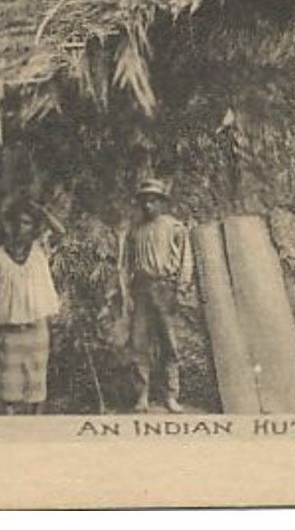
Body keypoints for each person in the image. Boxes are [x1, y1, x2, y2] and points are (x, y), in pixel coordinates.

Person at [0, 199, 65, 414]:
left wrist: (42, 211)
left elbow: (61, 233)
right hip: (9, 328)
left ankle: (34, 422)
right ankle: (11, 424)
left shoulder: (40, 250)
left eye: (26, 223)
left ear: (33, 227)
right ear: (8, 225)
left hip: (36, 327)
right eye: (16, 223)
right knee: (10, 381)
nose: (20, 228)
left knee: (36, 378)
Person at [118, 177, 191, 414]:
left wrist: (181, 289)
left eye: (153, 201)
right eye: (144, 201)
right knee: (139, 343)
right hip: (141, 289)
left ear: (162, 203)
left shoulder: (174, 227)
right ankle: (142, 396)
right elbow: (125, 265)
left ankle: (171, 395)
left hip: (165, 288)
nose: (148, 206)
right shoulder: (134, 231)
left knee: (169, 343)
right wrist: (126, 293)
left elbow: (185, 261)